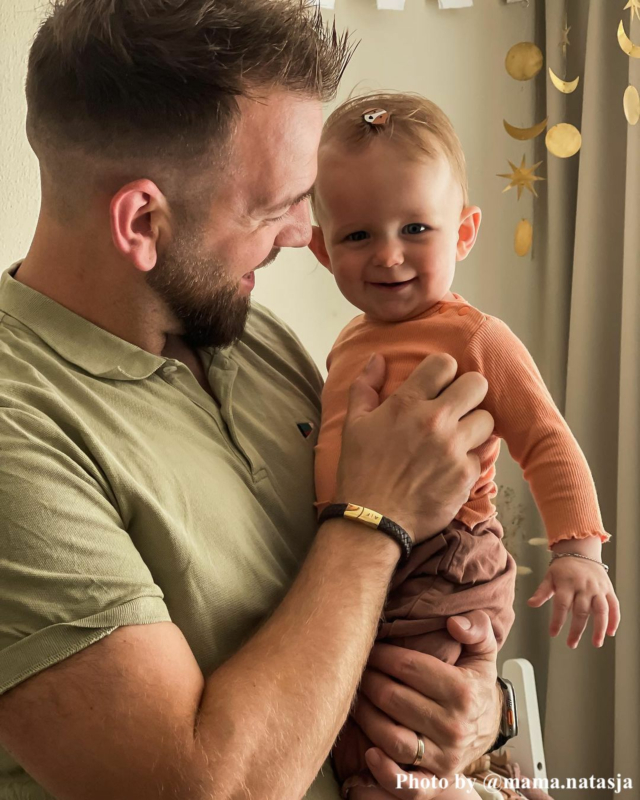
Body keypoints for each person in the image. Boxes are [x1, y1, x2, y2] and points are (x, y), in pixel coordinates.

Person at [0, 3, 505, 799]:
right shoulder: (17, 434)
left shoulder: (251, 335)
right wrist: (374, 519)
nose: (307, 233)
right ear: (141, 219)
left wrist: (477, 707)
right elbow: (200, 786)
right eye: (274, 206)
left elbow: (375, 616)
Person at [309, 92, 621, 796]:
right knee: (355, 701)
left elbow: (546, 439)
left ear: (465, 231)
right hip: (365, 554)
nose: (388, 255)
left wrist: (579, 552)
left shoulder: (476, 337)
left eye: (416, 227)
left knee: (409, 702)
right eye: (358, 236)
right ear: (322, 249)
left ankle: (432, 783)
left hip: (447, 556)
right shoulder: (345, 346)